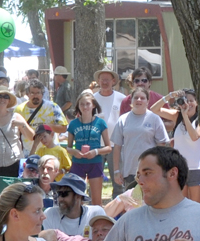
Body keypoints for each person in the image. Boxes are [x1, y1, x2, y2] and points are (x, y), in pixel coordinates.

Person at [111, 86, 169, 191]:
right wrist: (116, 171)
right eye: (136, 97)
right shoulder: (123, 119)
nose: (139, 100)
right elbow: (117, 147)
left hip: (150, 170)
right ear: (131, 101)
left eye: (142, 98)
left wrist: (159, 167)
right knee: (132, 204)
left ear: (147, 101)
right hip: (130, 171)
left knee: (150, 202)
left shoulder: (155, 119)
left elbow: (161, 146)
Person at [68, 89, 111, 204]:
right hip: (78, 163)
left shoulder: (100, 123)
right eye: (82, 104)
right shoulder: (73, 124)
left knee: (97, 200)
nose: (85, 107)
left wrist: (95, 152)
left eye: (88, 104)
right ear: (78, 106)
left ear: (93, 106)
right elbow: (68, 147)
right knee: (77, 199)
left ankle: (96, 220)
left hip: (95, 162)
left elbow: (108, 147)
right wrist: (74, 152)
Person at [92, 67, 125, 195]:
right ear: (98, 81)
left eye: (107, 80)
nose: (105, 82)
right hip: (96, 146)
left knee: (118, 182)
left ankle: (119, 213)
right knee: (95, 181)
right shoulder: (92, 99)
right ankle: (95, 211)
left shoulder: (122, 98)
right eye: (102, 80)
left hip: (116, 146)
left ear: (113, 81)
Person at [170, 89, 200, 201]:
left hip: (196, 168)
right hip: (180, 168)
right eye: (185, 100)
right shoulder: (177, 117)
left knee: (196, 204)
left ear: (197, 102)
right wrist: (170, 96)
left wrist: (185, 116)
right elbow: (154, 109)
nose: (188, 103)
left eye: (191, 100)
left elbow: (194, 137)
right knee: (181, 204)